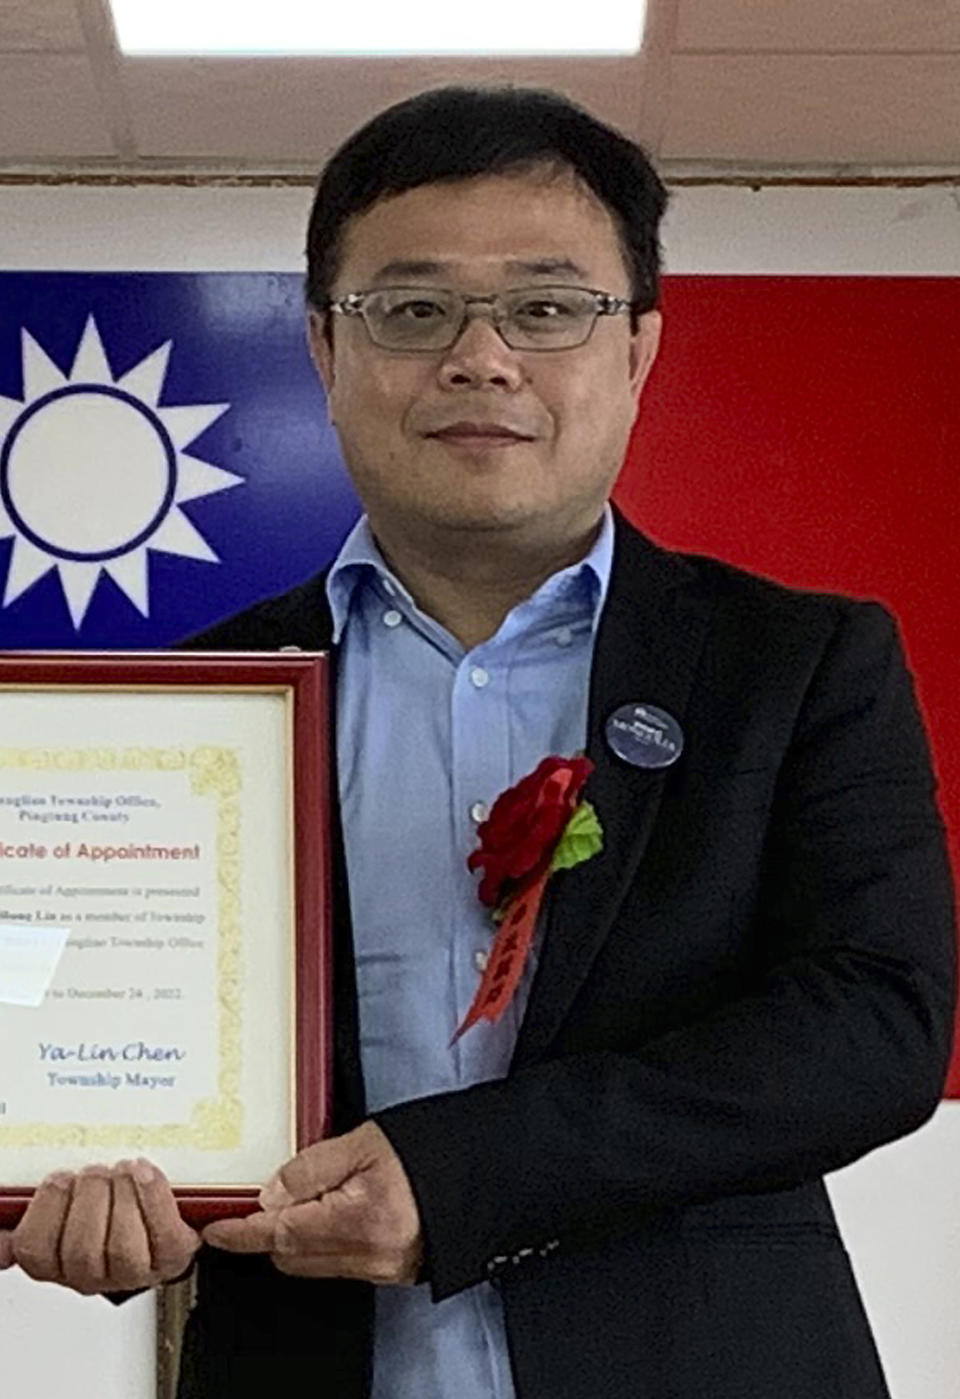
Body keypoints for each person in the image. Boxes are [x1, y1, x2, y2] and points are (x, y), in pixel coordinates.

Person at [1, 85, 956, 1399]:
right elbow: (80, 1050)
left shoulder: (796, 667)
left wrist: (467, 1177)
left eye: (549, 307)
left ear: (637, 353)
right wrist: (104, 1198)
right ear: (327, 355)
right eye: (411, 309)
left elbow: (873, 1028)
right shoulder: (187, 711)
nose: (481, 357)